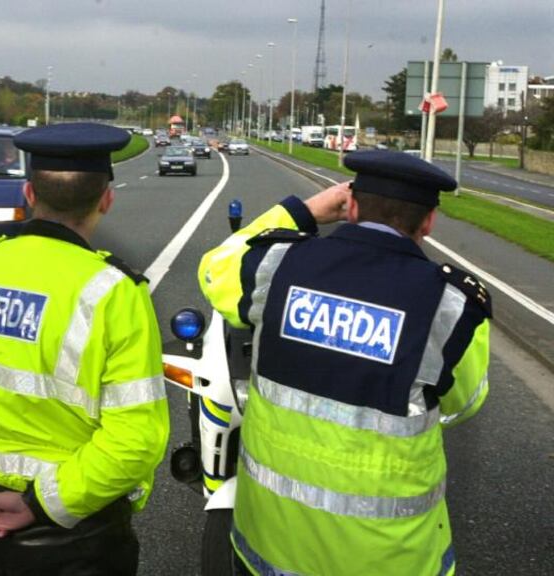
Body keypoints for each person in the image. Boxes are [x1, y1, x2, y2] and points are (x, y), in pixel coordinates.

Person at [198, 150, 491, 575]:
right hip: (391, 559)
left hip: (271, 546)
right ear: (428, 222)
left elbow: (215, 268)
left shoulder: (275, 265)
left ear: (349, 206)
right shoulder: (452, 305)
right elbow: (463, 405)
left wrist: (304, 210)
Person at [0, 122, 170, 576]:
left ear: (28, 193)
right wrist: (39, 504)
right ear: (106, 199)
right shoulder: (114, 292)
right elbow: (136, 441)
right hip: (78, 538)